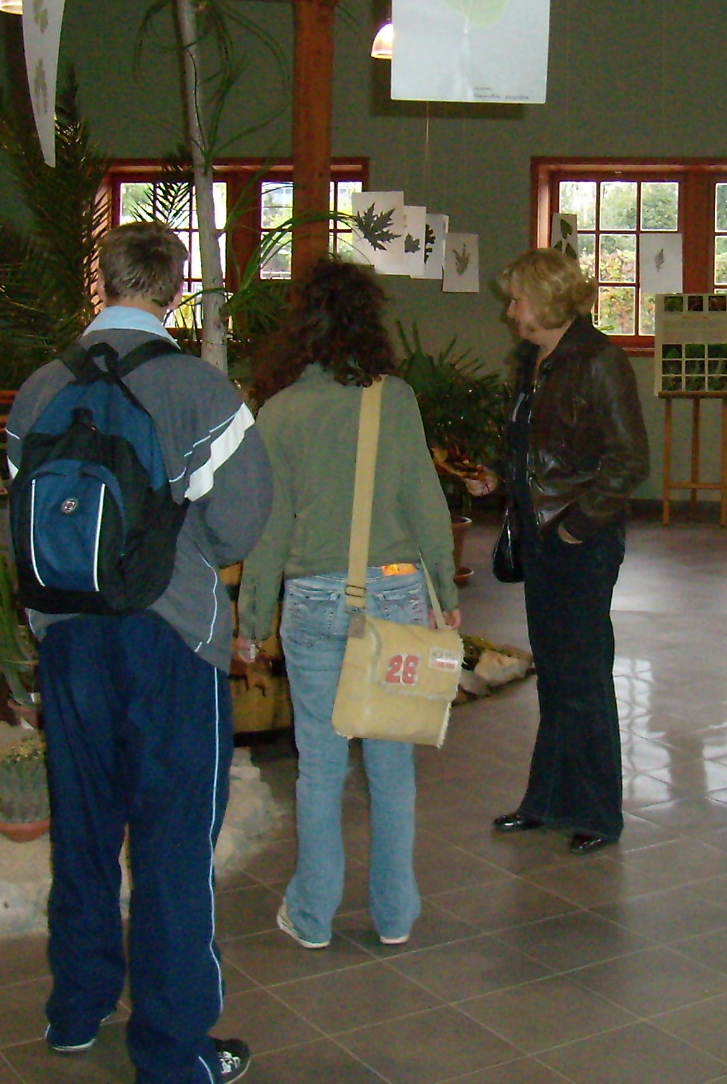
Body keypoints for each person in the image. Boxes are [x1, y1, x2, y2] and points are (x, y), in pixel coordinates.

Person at [5, 221, 271, 1083]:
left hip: (68, 637)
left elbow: (26, 511)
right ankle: (174, 1050)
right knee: (171, 846)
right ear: (175, 289)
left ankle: (76, 1011)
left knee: (82, 830)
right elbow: (242, 518)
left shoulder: (40, 388)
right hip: (172, 639)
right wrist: (178, 555)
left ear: (104, 282)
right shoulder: (200, 390)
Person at [237, 259, 461, 949]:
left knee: (320, 767)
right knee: (392, 766)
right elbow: (425, 502)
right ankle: (395, 914)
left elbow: (268, 531)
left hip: (311, 601)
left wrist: (252, 620)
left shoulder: (278, 412)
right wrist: (447, 593)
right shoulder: (394, 400)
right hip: (393, 592)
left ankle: (312, 914)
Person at [481, 247, 648, 855]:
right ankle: (546, 801)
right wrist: (500, 479)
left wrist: (578, 526)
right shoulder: (535, 359)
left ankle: (598, 813)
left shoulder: (600, 361)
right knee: (554, 673)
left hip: (580, 541)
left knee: (583, 675)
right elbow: (537, 448)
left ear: (549, 302)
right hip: (541, 537)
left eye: (517, 300)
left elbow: (629, 459)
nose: (511, 312)